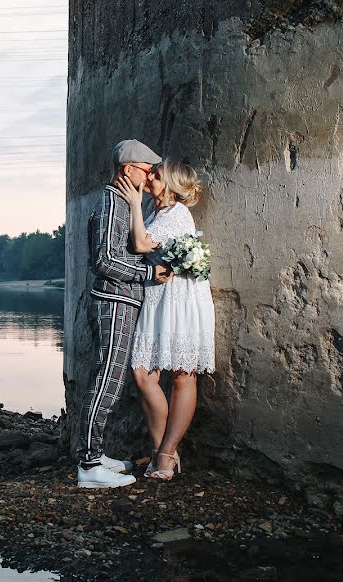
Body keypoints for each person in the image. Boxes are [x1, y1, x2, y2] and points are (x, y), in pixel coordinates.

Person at [77, 140, 173, 489]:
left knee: (108, 381)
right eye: (146, 170)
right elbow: (103, 261)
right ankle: (89, 466)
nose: (149, 178)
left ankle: (96, 455)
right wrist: (149, 273)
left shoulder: (121, 203)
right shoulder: (111, 203)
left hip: (121, 302)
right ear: (128, 169)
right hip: (114, 302)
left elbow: (120, 252)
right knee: (107, 382)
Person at [115, 160, 216, 481]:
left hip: (182, 299)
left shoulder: (177, 215)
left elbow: (141, 243)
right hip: (158, 298)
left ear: (171, 185)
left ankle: (166, 454)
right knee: (143, 373)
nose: (150, 178)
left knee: (182, 376)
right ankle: (164, 454)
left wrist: (132, 204)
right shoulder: (156, 213)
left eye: (156, 175)